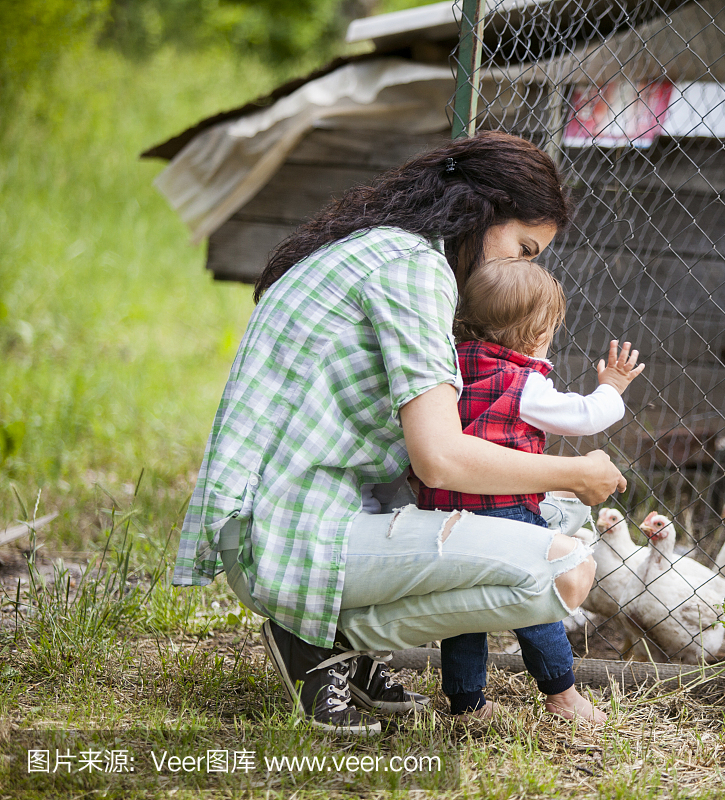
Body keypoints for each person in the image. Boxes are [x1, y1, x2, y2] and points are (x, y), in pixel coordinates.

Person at [172, 132, 627, 734]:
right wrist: (576, 470)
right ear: (483, 211)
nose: (520, 270)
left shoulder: (378, 249)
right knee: (563, 565)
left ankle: (333, 639)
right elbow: (440, 459)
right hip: (295, 534)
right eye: (522, 249)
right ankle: (319, 640)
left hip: (279, 521)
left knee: (547, 516)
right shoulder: (415, 272)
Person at [417, 257, 644, 720]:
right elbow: (583, 418)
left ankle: (466, 702)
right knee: (536, 601)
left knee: (463, 608)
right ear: (537, 331)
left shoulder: (446, 368)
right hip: (507, 512)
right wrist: (612, 388)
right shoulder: (523, 383)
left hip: (446, 516)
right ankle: (561, 695)